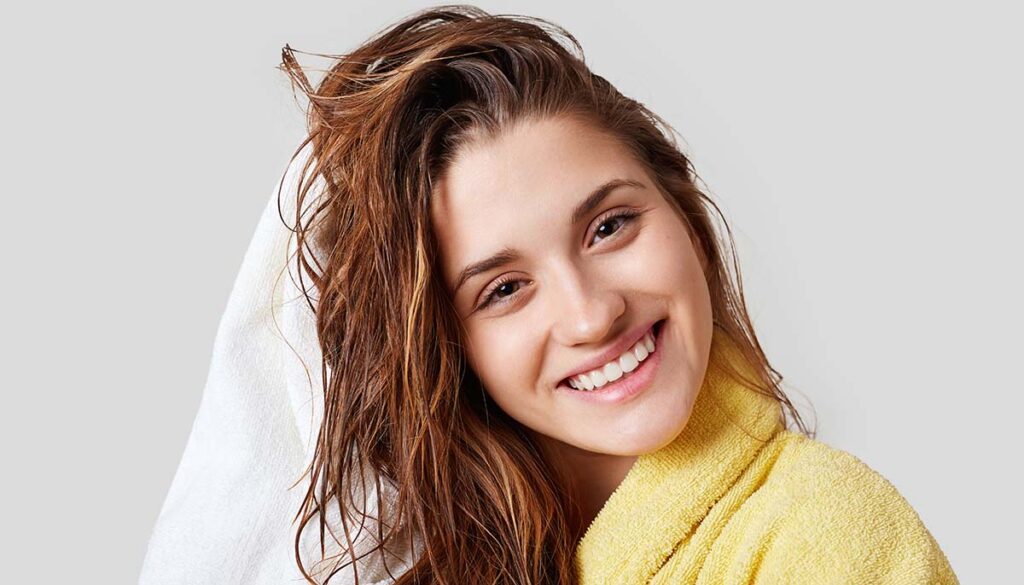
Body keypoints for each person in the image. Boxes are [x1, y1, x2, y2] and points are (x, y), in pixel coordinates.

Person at [143, 4, 958, 584]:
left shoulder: (827, 538)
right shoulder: (450, 558)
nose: (591, 312)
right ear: (447, 346)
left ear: (680, 207)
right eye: (503, 288)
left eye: (609, 226)